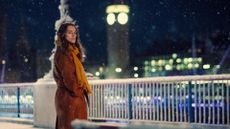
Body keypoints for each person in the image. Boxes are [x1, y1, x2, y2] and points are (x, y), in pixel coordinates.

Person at [53, 22, 92, 129]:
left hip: (70, 99)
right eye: (70, 33)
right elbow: (69, 78)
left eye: (75, 33)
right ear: (63, 35)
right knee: (71, 126)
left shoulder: (71, 52)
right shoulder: (64, 54)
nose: (73, 35)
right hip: (70, 99)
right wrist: (78, 91)